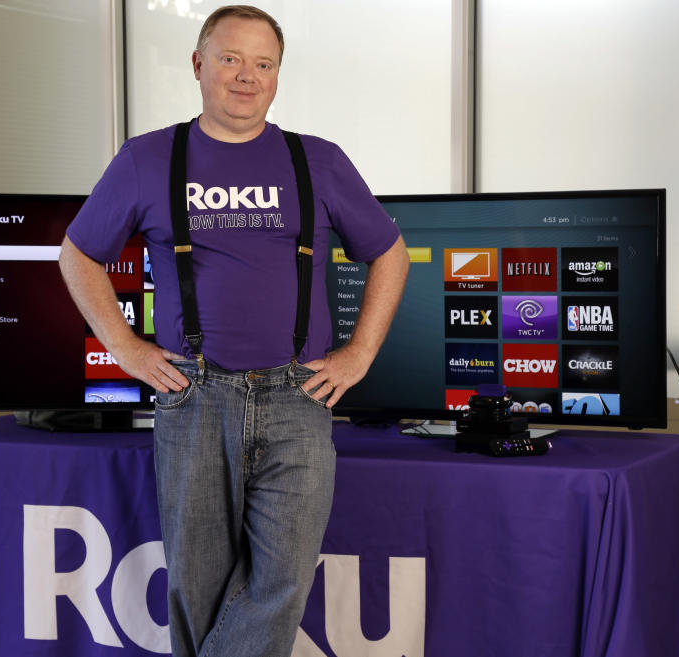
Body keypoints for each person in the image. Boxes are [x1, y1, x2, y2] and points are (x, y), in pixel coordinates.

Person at [59, 5, 409, 656]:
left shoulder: (320, 163)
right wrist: (125, 347)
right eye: (230, 59)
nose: (246, 76)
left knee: (282, 582)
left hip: (299, 399)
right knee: (198, 588)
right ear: (198, 65)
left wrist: (360, 353)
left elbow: (390, 252)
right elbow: (77, 255)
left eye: (263, 63)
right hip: (195, 398)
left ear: (277, 75)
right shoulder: (147, 159)